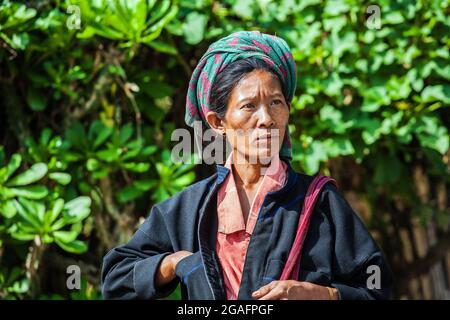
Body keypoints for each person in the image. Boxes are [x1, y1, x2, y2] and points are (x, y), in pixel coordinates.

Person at [101, 31, 393, 300]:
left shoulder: (320, 202)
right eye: (249, 106)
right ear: (218, 123)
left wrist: (320, 294)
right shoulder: (191, 209)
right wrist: (175, 263)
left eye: (276, 103)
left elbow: (377, 286)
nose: (266, 118)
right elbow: (116, 279)